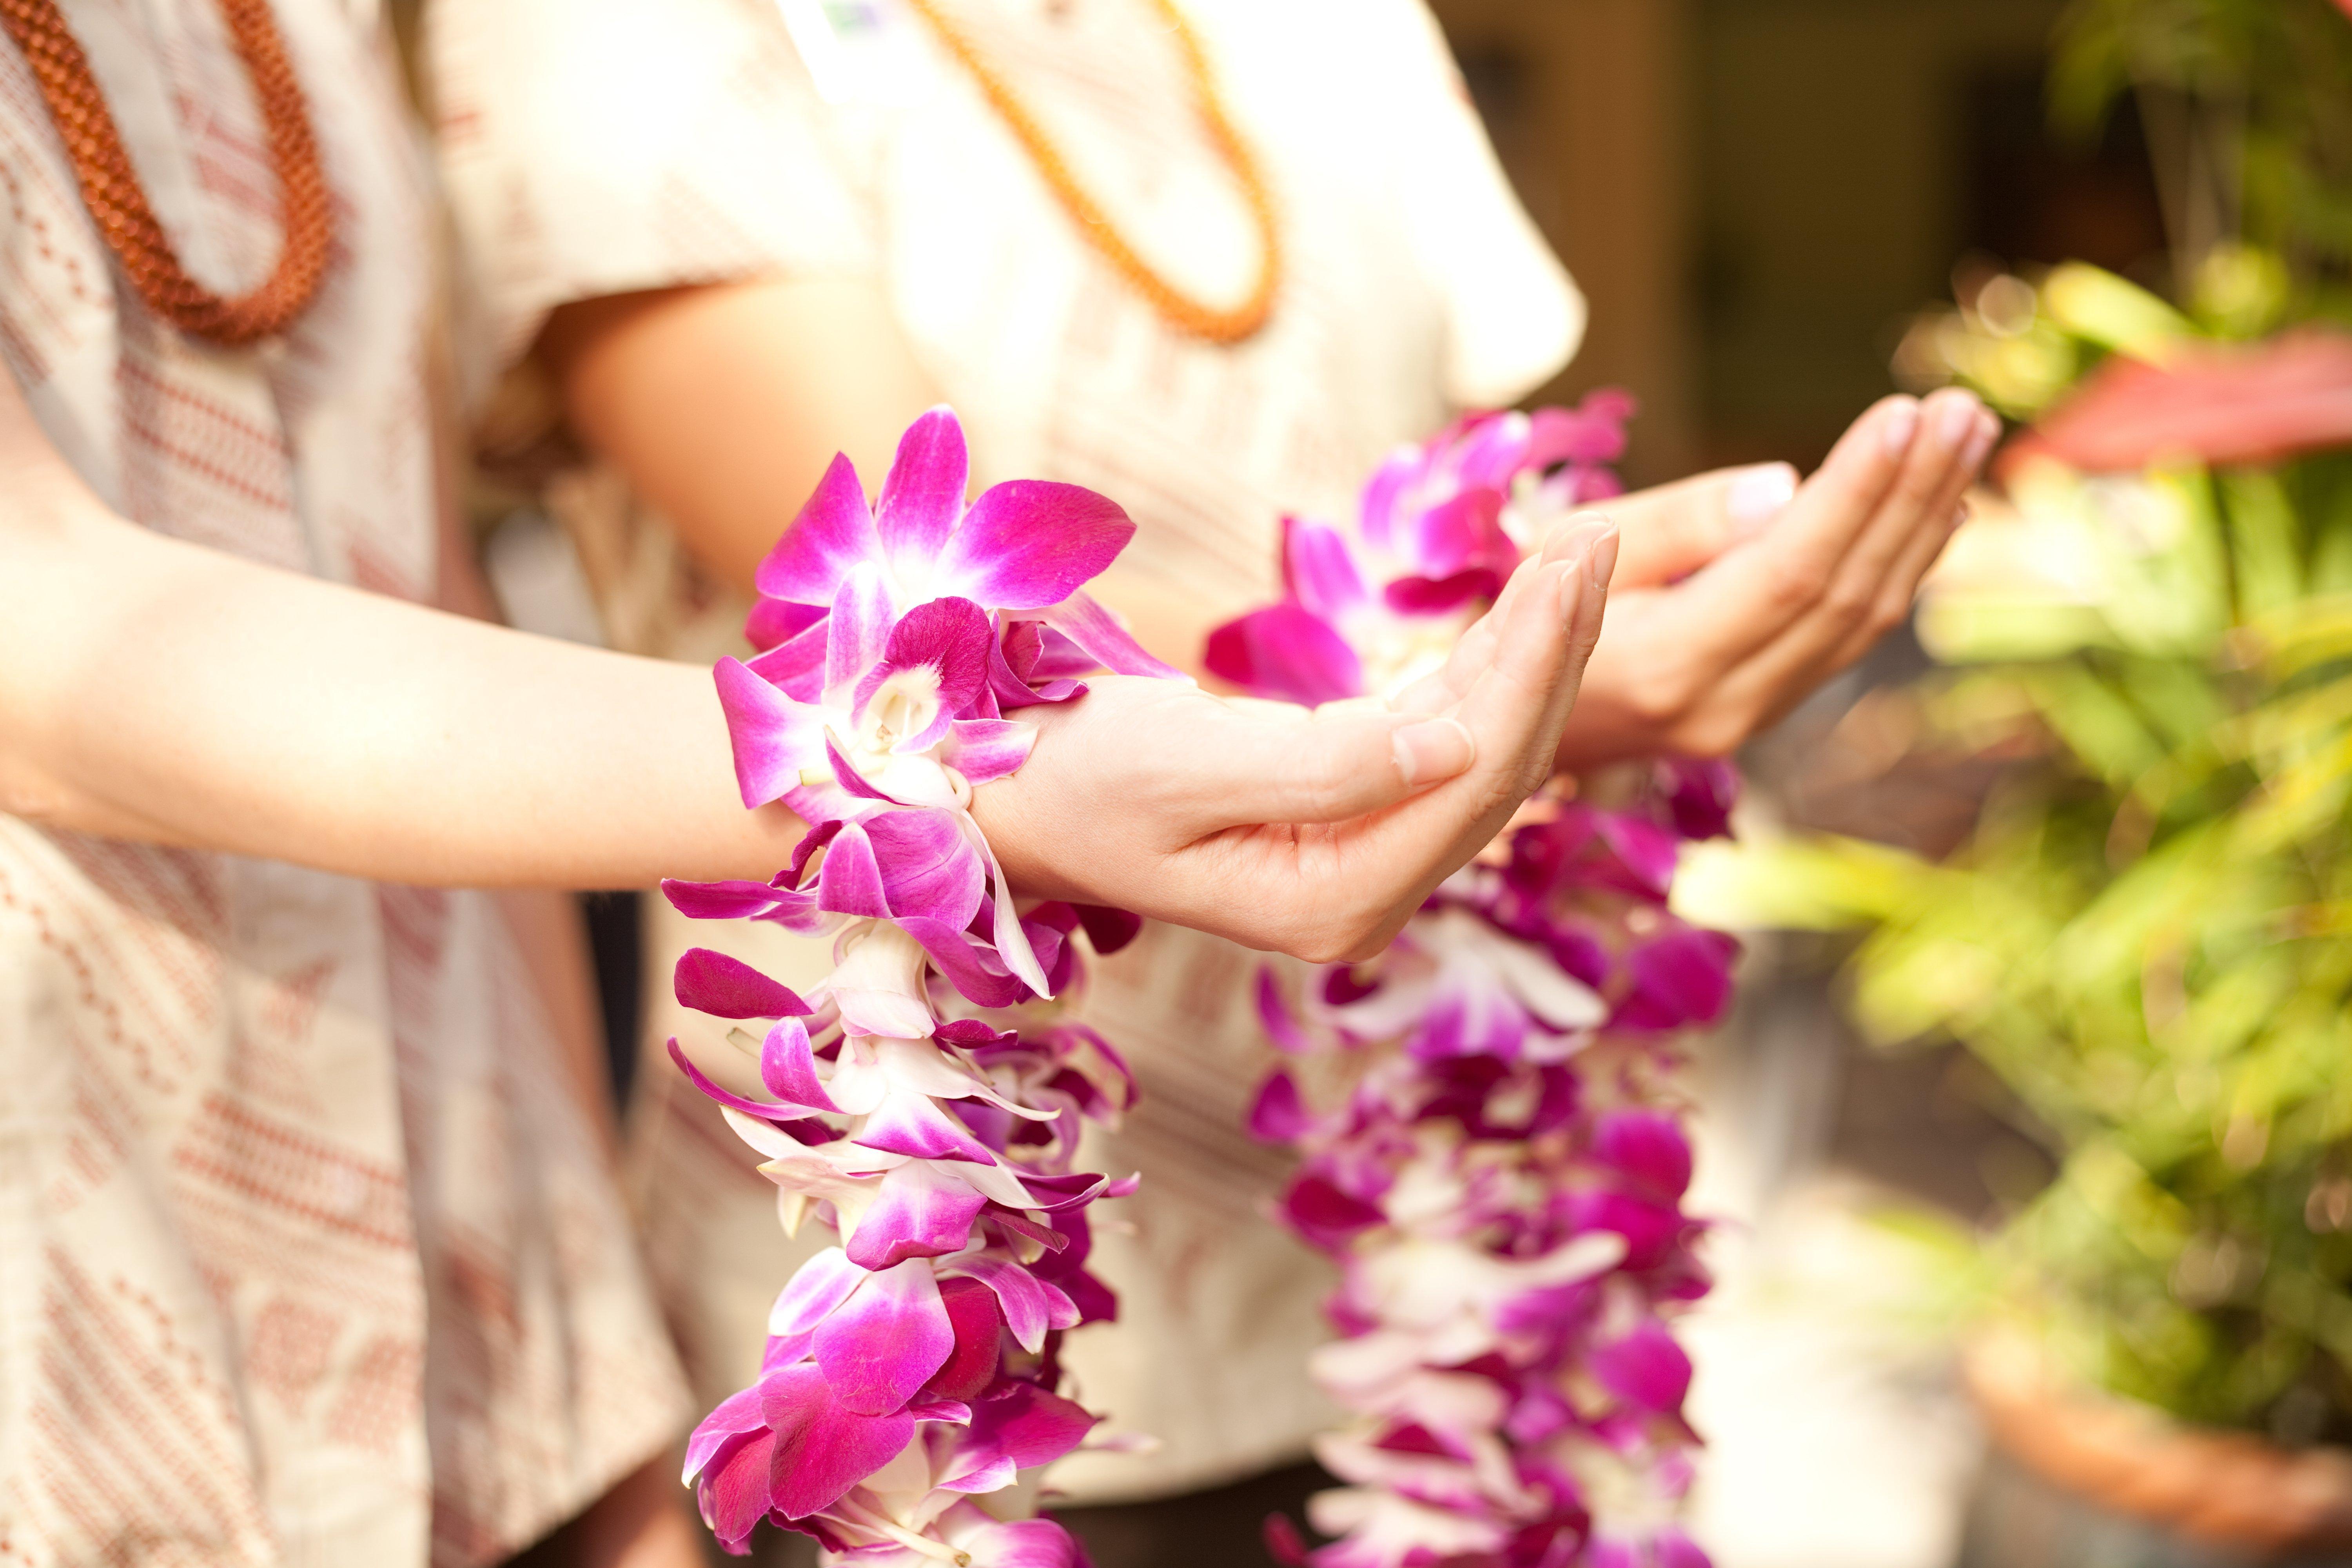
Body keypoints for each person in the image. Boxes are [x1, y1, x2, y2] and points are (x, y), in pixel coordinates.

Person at [0, 3, 1617, 1563]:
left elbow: (428, 607)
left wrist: (598, 1412)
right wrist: (943, 774)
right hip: (91, 1370)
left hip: (500, 1383)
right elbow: (42, 645)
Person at [425, 0, 1998, 1540]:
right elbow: (908, 625)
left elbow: (1443, 490)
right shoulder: (616, 30)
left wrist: (1567, 614)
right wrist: (1474, 687)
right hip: (956, 1332)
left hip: (1453, 1258)